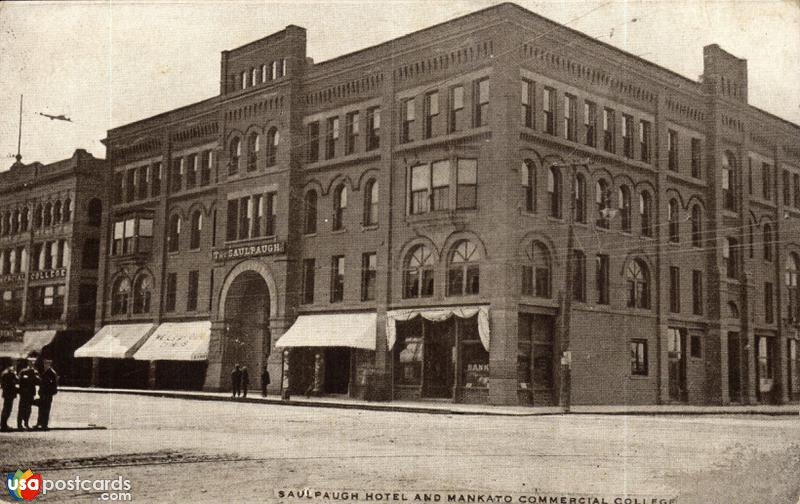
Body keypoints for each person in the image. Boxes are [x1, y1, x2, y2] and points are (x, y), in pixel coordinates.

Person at [35, 359, 58, 430]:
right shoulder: (44, 372)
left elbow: (54, 385)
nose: (45, 365)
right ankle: (39, 423)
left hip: (47, 394)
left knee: (46, 410)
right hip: (43, 394)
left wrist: (50, 393)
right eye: (45, 363)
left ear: (50, 364)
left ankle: (44, 424)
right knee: (41, 409)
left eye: (47, 364)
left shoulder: (52, 373)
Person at [16, 359, 38, 430]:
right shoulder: (23, 371)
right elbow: (19, 380)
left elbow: (38, 381)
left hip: (31, 394)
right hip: (23, 394)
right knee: (21, 409)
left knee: (28, 410)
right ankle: (19, 424)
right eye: (31, 362)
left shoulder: (35, 372)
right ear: (28, 363)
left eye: (33, 363)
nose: (32, 364)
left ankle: (26, 423)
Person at [1, 363, 18, 432]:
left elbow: (2, 385)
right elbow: (17, 380)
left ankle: (3, 424)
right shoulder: (11, 373)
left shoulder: (4, 373)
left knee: (6, 409)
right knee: (7, 409)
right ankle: (4, 425)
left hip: (6, 394)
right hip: (10, 394)